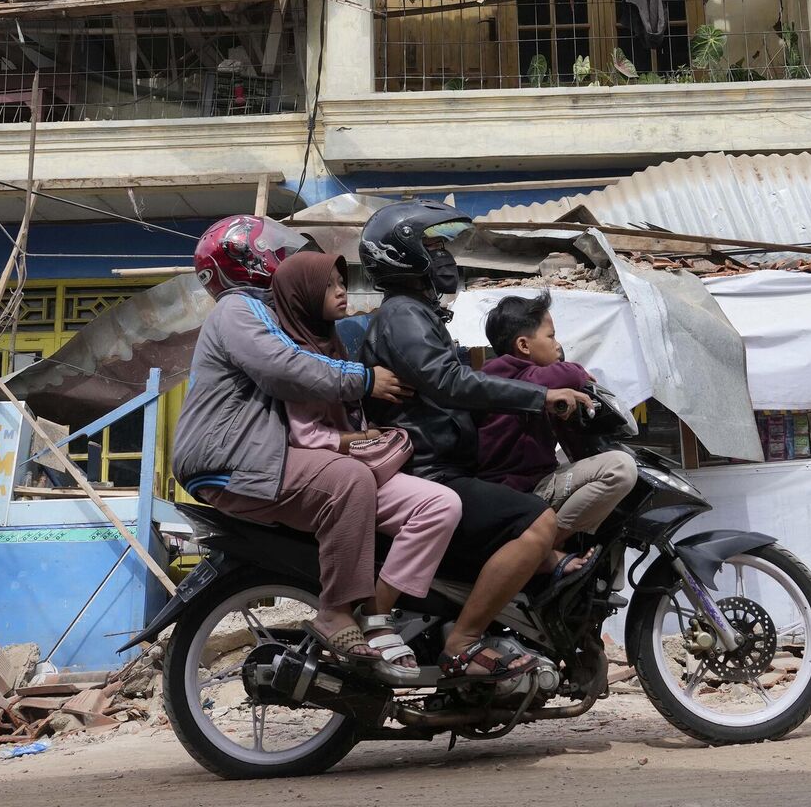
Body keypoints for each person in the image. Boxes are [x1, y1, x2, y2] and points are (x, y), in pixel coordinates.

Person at [357, 201, 594, 683]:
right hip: (428, 471)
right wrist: (540, 396)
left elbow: (455, 383)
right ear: (403, 254)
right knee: (537, 522)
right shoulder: (403, 315)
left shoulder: (418, 315)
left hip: (444, 466)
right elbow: (449, 382)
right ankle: (464, 640)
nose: (444, 256)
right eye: (433, 245)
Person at [170, 215, 417, 671]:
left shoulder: (261, 311)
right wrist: (364, 379)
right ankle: (338, 612)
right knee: (347, 481)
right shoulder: (238, 309)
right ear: (252, 259)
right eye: (276, 250)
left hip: (250, 454)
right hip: (231, 456)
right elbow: (283, 367)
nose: (286, 257)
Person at [268, 250, 465, 671]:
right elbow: (305, 435)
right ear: (303, 295)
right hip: (329, 471)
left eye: (343, 283)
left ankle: (379, 612)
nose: (342, 292)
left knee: (442, 505)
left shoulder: (332, 341)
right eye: (330, 286)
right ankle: (361, 616)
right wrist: (360, 437)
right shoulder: (297, 356)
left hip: (360, 465)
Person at [476, 292, 637, 574]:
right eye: (551, 337)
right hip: (514, 489)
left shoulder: (536, 386)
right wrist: (578, 373)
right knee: (620, 469)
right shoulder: (502, 374)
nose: (558, 345)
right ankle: (537, 549)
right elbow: (560, 375)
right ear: (524, 345)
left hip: (529, 485)